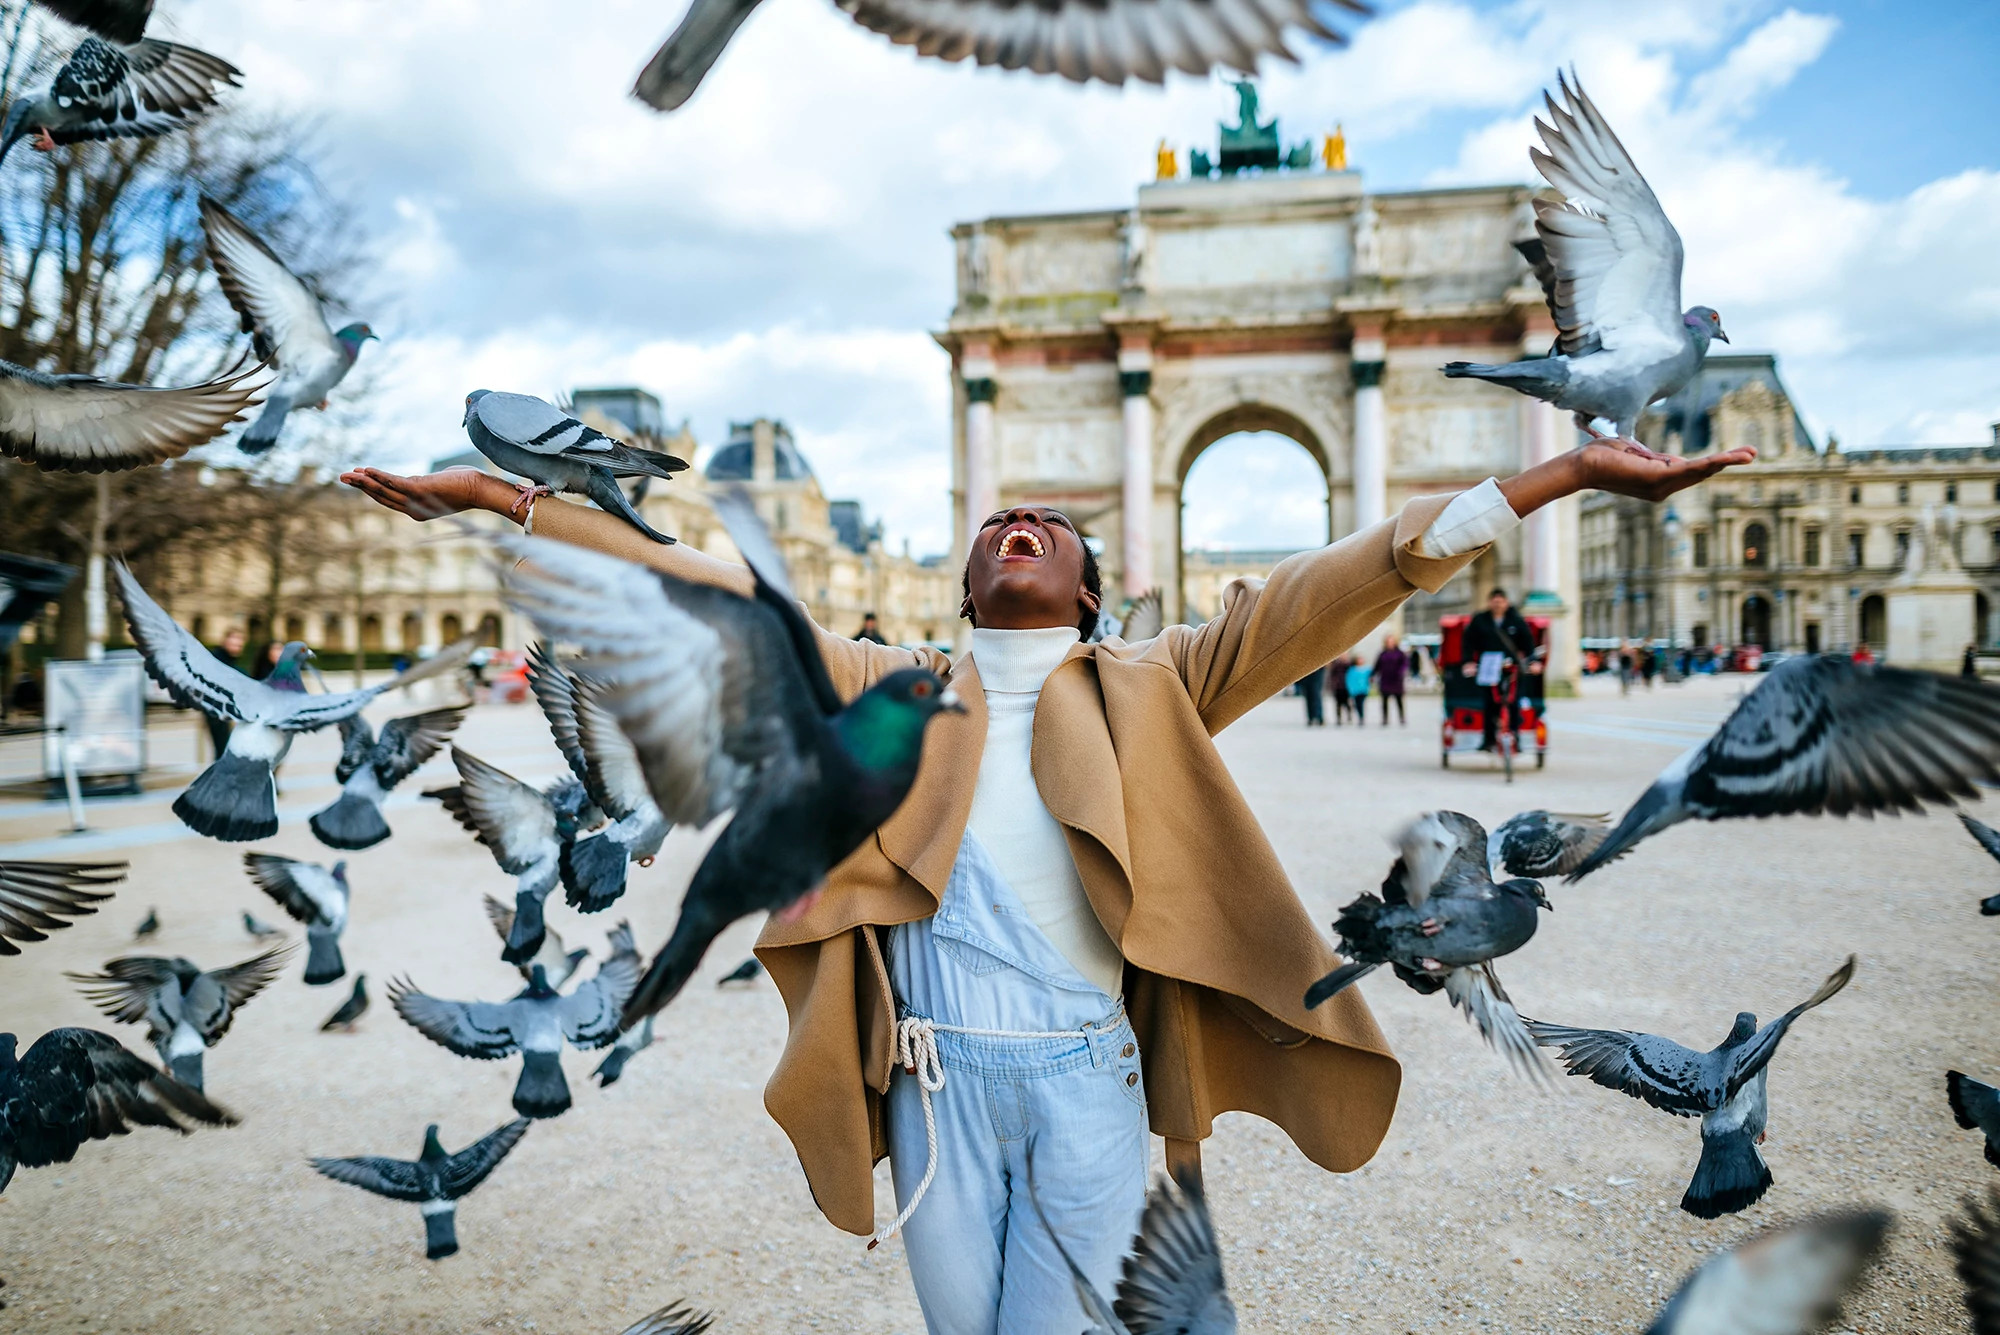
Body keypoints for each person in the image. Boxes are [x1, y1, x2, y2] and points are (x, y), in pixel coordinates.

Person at [340, 431, 1749, 1335]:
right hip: (930, 1080)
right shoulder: (879, 679)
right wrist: (509, 503)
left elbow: (1332, 586)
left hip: (1087, 1079)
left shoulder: (1159, 675)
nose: (1018, 518)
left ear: (1084, 591)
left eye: (1048, 522)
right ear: (963, 581)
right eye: (996, 516)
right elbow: (690, 579)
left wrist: (1549, 479)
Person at [1463, 589, 1536, 751]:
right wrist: (1468, 662)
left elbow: (1528, 642)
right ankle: (1488, 739)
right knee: (1489, 703)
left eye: (1501, 601)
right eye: (1494, 601)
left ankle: (1515, 736)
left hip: (1511, 668)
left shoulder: (1516, 620)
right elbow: (1468, 642)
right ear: (1490, 602)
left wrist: (1533, 661)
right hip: (1488, 666)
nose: (1497, 604)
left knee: (1514, 702)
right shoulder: (1480, 620)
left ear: (1506, 602)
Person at [205, 627, 247, 759]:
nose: (237, 647)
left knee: (225, 749)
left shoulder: (230, 661)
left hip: (223, 710)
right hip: (217, 711)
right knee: (223, 749)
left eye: (239, 645)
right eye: (234, 643)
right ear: (225, 641)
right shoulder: (217, 659)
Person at [1374, 634, 1409, 725]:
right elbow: (1377, 666)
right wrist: (1372, 675)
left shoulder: (1400, 653)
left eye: (1391, 641)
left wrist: (1401, 672)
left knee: (1399, 700)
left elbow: (1404, 664)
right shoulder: (1382, 653)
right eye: (1388, 642)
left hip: (1396, 680)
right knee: (1384, 701)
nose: (1390, 643)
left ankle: (1402, 718)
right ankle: (1385, 719)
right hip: (1385, 679)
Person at [1344, 656, 1371, 728]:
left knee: (1361, 704)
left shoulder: (1367, 669)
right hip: (1355, 690)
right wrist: (1350, 690)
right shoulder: (1352, 670)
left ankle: (1361, 717)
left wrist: (1368, 687)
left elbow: (1370, 679)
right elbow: (1349, 680)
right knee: (1357, 704)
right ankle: (1360, 716)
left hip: (1363, 690)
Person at [1328, 652, 1353, 724]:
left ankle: (1349, 716)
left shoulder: (1349, 664)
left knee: (1347, 703)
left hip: (1347, 687)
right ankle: (1339, 719)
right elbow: (1332, 674)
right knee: (1338, 704)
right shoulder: (1336, 664)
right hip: (1338, 686)